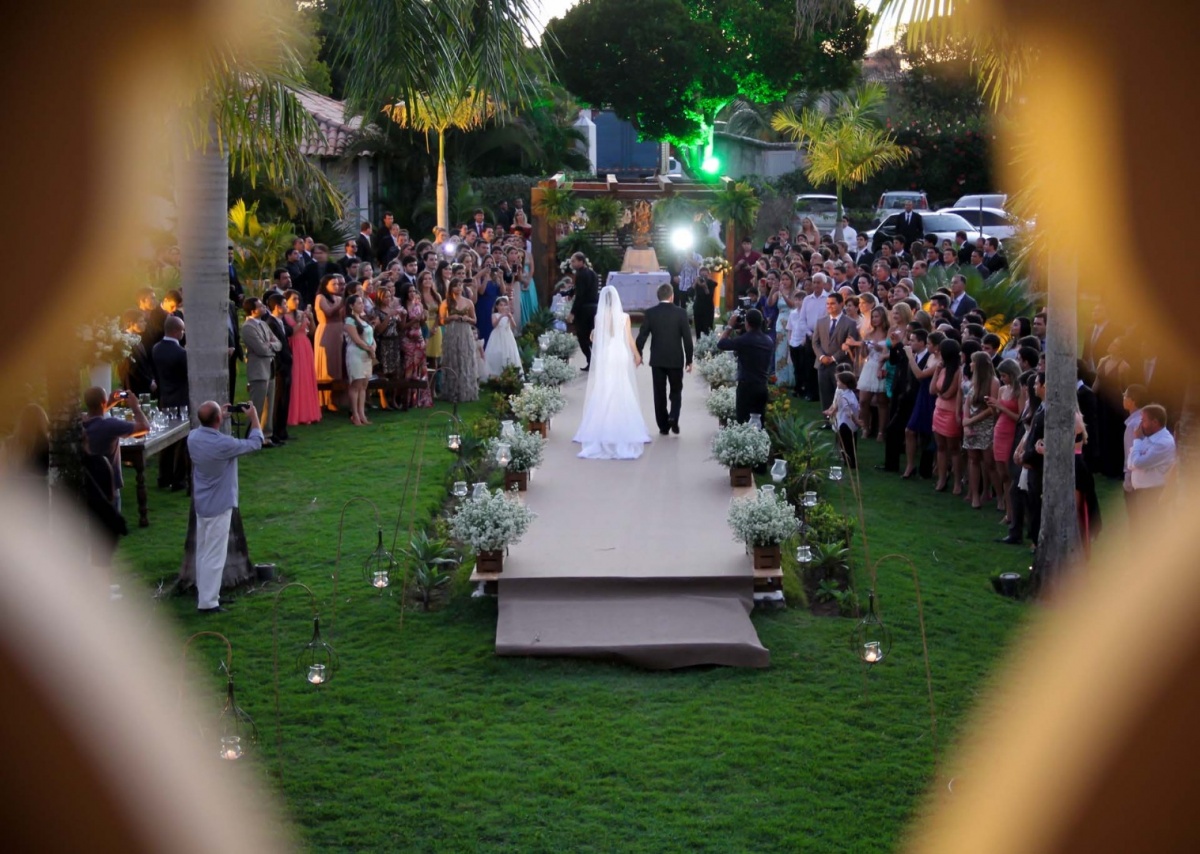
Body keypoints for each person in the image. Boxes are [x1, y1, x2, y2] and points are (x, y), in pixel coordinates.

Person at [187, 400, 263, 614]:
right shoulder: (223, 444)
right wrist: (254, 418)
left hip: (202, 504)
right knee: (214, 556)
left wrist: (218, 415)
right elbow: (255, 443)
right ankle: (208, 603)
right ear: (218, 419)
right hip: (219, 505)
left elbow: (208, 424)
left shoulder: (193, 438)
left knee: (203, 552)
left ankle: (207, 595)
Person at [574, 286, 653, 460]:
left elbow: (595, 338)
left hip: (606, 353)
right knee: (621, 385)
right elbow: (629, 339)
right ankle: (624, 425)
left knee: (605, 385)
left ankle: (601, 426)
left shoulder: (599, 316)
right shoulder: (624, 317)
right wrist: (637, 355)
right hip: (619, 352)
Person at [636, 283, 694, 435]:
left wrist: (638, 353)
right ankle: (674, 416)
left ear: (658, 296)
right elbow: (687, 339)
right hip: (675, 359)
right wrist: (689, 360)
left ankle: (663, 425)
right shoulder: (681, 313)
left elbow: (642, 335)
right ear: (672, 296)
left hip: (657, 359)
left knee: (659, 393)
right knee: (676, 390)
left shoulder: (651, 313)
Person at [81, 386, 150, 513]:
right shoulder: (110, 425)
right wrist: (135, 406)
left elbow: (94, 413)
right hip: (109, 487)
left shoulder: (80, 422)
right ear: (103, 402)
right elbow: (144, 427)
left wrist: (111, 401)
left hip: (89, 485)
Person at [717, 307, 774, 426]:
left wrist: (730, 326)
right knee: (759, 423)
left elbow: (721, 343)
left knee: (743, 422)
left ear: (747, 323)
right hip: (762, 386)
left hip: (746, 387)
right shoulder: (768, 341)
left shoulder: (744, 340)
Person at [1126, 403, 1176, 526]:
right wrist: (1136, 457)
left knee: (1151, 532)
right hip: (1143, 494)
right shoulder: (1151, 437)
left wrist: (1137, 440)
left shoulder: (1162, 443)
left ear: (1155, 422)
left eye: (1143, 420)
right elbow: (1130, 463)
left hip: (1153, 495)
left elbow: (1137, 462)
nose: (1140, 425)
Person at [241, 298, 282, 445]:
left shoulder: (264, 324)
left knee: (268, 406)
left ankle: (266, 435)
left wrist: (270, 346)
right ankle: (251, 436)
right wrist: (270, 347)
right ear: (253, 310)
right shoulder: (248, 328)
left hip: (270, 368)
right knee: (257, 405)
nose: (264, 307)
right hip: (258, 370)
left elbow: (278, 343)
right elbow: (261, 349)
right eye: (261, 306)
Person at [812, 292, 861, 414]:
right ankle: (827, 421)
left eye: (833, 303)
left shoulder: (850, 323)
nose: (829, 306)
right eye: (827, 304)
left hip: (840, 364)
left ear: (841, 304)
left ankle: (841, 420)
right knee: (824, 392)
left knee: (840, 393)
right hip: (822, 364)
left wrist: (833, 358)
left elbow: (849, 345)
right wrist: (822, 356)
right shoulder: (821, 321)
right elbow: (815, 342)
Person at [962, 351, 999, 509]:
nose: (970, 365)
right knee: (973, 460)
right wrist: (967, 423)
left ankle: (1000, 497)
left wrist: (971, 420)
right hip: (972, 426)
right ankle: (975, 495)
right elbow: (967, 403)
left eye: (972, 362)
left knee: (989, 462)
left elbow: (992, 409)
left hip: (986, 425)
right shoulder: (973, 381)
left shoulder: (993, 382)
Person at [989, 359, 1022, 520]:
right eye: (1001, 376)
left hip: (1011, 433)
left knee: (1010, 474)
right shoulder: (1002, 390)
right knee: (1002, 473)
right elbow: (998, 413)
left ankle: (1014, 513)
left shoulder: (1020, 391)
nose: (1002, 379)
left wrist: (1001, 407)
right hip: (999, 430)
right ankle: (1008, 512)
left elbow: (1020, 417)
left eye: (1005, 376)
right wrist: (993, 407)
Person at [283, 290, 321, 426]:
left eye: (298, 299)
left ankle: (308, 413)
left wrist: (310, 318)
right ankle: (295, 414)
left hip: (305, 346)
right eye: (294, 299)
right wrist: (299, 322)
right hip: (293, 346)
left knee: (306, 378)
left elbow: (312, 331)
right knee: (295, 379)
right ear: (286, 301)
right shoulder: (284, 316)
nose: (297, 302)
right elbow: (289, 332)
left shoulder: (301, 314)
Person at [438, 278, 479, 403]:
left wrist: (467, 318)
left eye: (460, 285)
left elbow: (474, 320)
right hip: (452, 331)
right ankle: (452, 391)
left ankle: (466, 390)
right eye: (455, 286)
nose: (458, 288)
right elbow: (441, 320)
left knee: (465, 358)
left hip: (465, 332)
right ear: (451, 288)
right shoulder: (446, 302)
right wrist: (451, 317)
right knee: (453, 359)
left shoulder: (468, 302)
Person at [931, 338, 964, 493]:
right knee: (941, 447)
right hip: (938, 410)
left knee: (954, 448)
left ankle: (958, 481)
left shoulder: (959, 371)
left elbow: (948, 393)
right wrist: (936, 371)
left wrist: (940, 392)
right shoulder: (942, 369)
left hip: (951, 413)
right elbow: (932, 390)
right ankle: (942, 478)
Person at [263, 293, 293, 444]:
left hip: (286, 365)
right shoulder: (271, 323)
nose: (287, 307)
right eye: (285, 304)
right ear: (277, 307)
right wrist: (281, 366)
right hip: (279, 368)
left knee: (284, 399)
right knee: (278, 400)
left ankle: (282, 431)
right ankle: (274, 432)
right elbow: (275, 348)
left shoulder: (281, 322)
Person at [313, 274, 346, 412]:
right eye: (334, 284)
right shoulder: (320, 298)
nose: (337, 287)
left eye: (338, 284)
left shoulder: (338, 298)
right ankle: (324, 400)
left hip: (339, 331)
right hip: (327, 331)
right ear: (325, 285)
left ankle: (337, 398)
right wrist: (342, 302)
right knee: (328, 365)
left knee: (339, 365)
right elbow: (329, 312)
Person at [858, 306, 891, 440]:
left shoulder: (888, 333)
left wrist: (879, 347)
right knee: (863, 400)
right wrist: (863, 347)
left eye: (877, 316)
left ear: (883, 317)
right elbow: (864, 355)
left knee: (882, 401)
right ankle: (866, 427)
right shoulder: (868, 334)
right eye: (873, 317)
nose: (875, 319)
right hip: (869, 366)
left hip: (882, 367)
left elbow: (890, 351)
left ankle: (881, 431)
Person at [343, 294, 376, 426]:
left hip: (367, 355)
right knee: (356, 384)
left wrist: (373, 347)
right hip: (356, 354)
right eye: (359, 303)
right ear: (351, 306)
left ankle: (362, 414)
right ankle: (355, 414)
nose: (362, 305)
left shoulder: (363, 320)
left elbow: (371, 337)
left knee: (364, 385)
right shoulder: (349, 321)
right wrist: (369, 348)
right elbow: (356, 340)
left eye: (362, 303)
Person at [400, 284, 432, 408]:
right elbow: (402, 327)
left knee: (421, 367)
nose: (412, 293)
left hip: (419, 338)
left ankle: (419, 399)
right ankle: (406, 400)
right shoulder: (403, 308)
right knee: (409, 368)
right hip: (408, 339)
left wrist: (423, 318)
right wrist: (415, 320)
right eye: (409, 292)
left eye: (414, 291)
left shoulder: (419, 305)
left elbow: (422, 323)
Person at [568, 252, 599, 370]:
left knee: (582, 336)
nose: (572, 264)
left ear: (581, 261)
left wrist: (572, 312)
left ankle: (590, 360)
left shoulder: (581, 275)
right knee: (592, 335)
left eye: (573, 261)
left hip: (584, 309)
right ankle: (596, 360)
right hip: (594, 308)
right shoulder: (592, 273)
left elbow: (580, 295)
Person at [826, 371, 860, 470]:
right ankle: (849, 461)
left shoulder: (845, 397)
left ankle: (850, 462)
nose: (837, 383)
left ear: (844, 384)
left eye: (838, 381)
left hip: (846, 424)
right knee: (849, 443)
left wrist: (856, 421)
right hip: (849, 423)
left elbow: (848, 411)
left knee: (846, 444)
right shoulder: (849, 393)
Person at [691, 268, 715, 336]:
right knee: (698, 329)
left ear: (708, 275)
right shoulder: (697, 282)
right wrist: (695, 283)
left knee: (707, 329)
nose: (703, 277)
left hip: (708, 309)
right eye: (702, 275)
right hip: (698, 308)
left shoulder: (711, 283)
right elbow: (689, 293)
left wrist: (705, 287)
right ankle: (699, 344)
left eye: (705, 275)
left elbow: (710, 297)